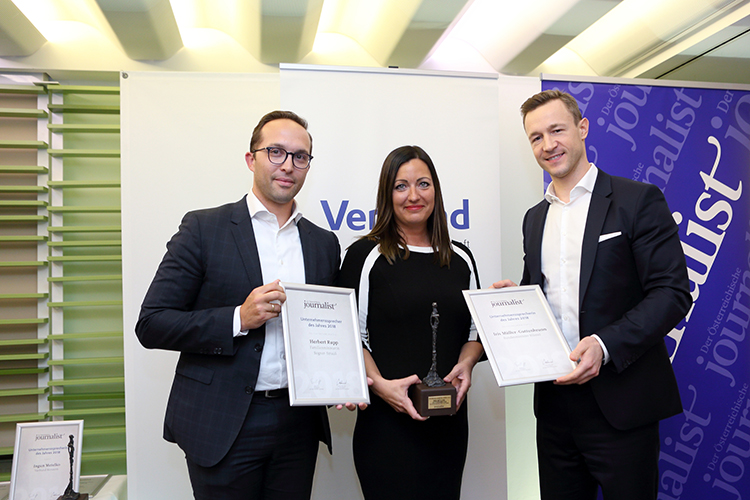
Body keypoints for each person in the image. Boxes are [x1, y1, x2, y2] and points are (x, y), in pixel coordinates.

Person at [136, 110, 358, 500]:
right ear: (250, 158)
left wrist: (342, 376)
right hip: (222, 421)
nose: (288, 165)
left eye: (300, 156)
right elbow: (152, 323)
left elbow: (331, 329)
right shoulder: (204, 228)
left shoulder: (324, 243)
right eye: (276, 152)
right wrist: (239, 318)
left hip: (297, 423)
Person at [494, 89, 691, 500]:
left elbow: (671, 292)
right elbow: (546, 294)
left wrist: (604, 345)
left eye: (556, 130)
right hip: (554, 409)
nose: (548, 145)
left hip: (623, 404)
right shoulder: (535, 218)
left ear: (582, 129)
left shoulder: (637, 201)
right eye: (535, 137)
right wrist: (520, 303)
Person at [337, 145, 484, 500]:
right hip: (387, 429)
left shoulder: (461, 257)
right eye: (401, 186)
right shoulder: (365, 256)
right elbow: (347, 336)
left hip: (448, 428)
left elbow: (475, 333)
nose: (414, 195)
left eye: (423, 184)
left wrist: (466, 363)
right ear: (387, 195)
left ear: (436, 190)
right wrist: (379, 386)